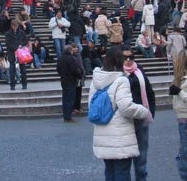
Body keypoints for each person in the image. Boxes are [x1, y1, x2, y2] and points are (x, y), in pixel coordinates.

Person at [88, 46, 149, 181]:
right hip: (120, 135)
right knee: (122, 172)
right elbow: (126, 107)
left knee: (110, 171)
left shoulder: (96, 80)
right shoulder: (121, 80)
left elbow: (91, 105)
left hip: (103, 134)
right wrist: (144, 111)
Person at [122, 46, 155, 181]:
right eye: (125, 57)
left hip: (141, 119)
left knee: (142, 158)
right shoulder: (117, 74)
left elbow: (149, 91)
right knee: (124, 160)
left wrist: (150, 112)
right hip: (125, 121)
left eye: (131, 57)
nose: (129, 60)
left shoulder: (139, 70)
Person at [170, 49, 187, 180]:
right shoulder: (180, 77)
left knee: (185, 153)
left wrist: (180, 92)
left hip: (185, 118)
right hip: (182, 118)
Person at [57, 45, 83, 123]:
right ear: (70, 50)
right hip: (71, 80)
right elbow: (74, 69)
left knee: (65, 98)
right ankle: (68, 116)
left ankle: (66, 115)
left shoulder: (61, 58)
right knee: (70, 99)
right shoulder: (71, 59)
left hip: (64, 80)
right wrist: (79, 75)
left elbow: (58, 69)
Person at [5, 20, 29, 90]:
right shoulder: (8, 33)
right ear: (11, 26)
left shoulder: (21, 32)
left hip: (21, 53)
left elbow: (25, 40)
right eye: (14, 26)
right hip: (12, 53)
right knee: (12, 69)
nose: (15, 27)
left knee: (23, 69)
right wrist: (16, 48)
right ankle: (12, 85)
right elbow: (8, 43)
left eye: (16, 26)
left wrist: (21, 45)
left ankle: (24, 84)